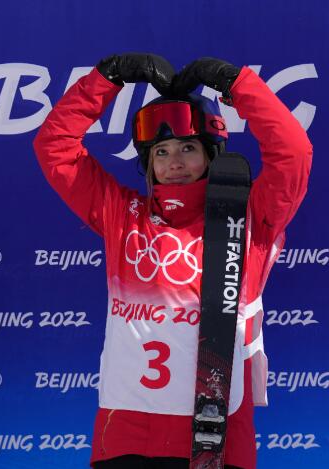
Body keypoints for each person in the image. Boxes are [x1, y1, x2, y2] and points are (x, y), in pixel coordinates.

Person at [33, 53, 312, 469]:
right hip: (125, 434)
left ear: (212, 154)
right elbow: (55, 148)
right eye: (160, 152)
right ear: (147, 161)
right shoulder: (121, 215)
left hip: (214, 440)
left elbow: (293, 153)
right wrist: (108, 77)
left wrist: (236, 83)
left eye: (188, 148)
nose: (174, 162)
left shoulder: (252, 217)